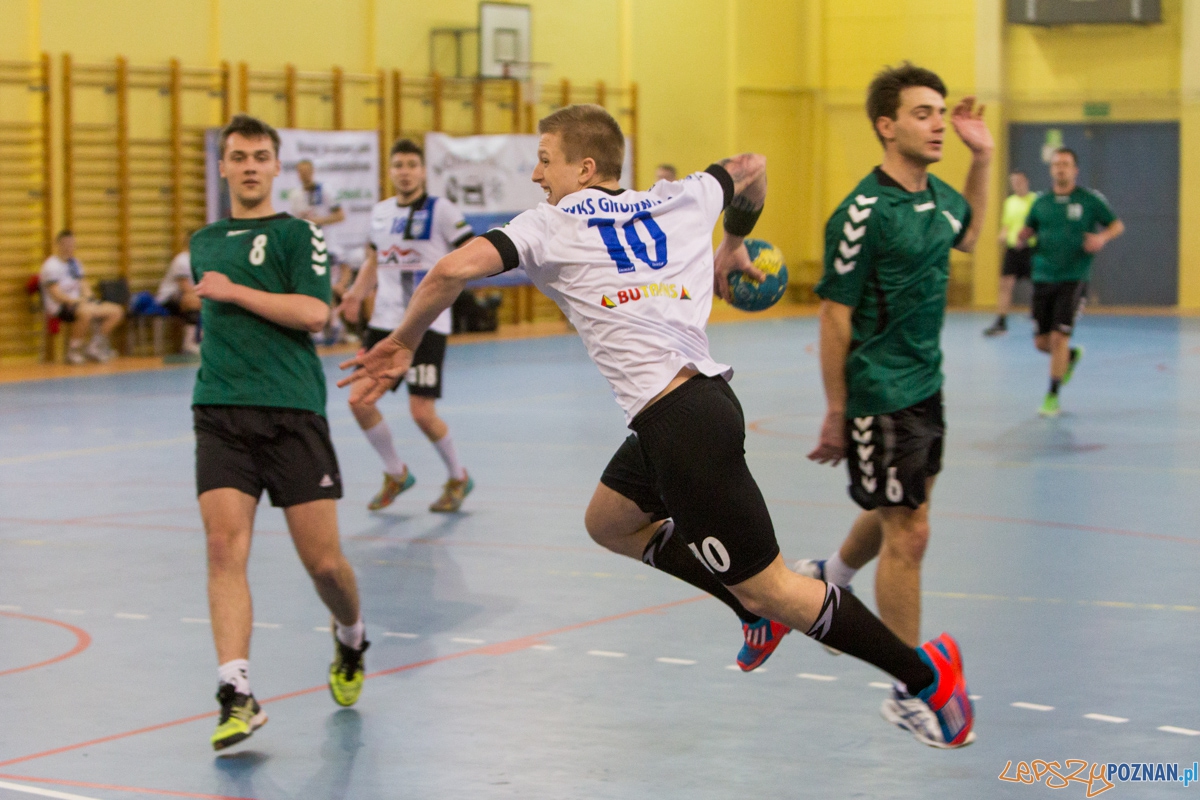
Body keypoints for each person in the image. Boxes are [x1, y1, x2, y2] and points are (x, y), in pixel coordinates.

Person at [341, 103, 977, 749]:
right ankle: (748, 612)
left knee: (776, 590)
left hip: (682, 428)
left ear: (584, 167)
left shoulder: (550, 224)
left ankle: (925, 676)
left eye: (544, 158)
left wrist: (401, 341)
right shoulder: (681, 199)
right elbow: (752, 168)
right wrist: (732, 242)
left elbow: (450, 269)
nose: (536, 174)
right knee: (610, 521)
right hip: (694, 408)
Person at [799, 65, 992, 666]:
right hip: (879, 391)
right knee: (909, 532)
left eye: (940, 112)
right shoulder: (863, 212)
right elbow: (835, 316)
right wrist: (837, 408)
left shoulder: (936, 200)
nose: (937, 124)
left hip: (925, 384)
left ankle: (826, 574)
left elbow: (969, 236)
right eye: (922, 113)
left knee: (900, 511)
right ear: (887, 126)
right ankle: (913, 683)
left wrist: (981, 161)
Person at [190, 114, 369, 751]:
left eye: (259, 157)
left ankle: (351, 637)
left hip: (293, 412)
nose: (247, 166)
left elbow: (315, 312)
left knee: (323, 564)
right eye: (237, 156)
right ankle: (235, 692)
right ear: (222, 167)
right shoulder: (204, 240)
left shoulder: (300, 235)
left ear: (275, 166)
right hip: (220, 411)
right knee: (223, 549)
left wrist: (233, 292)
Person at [338, 138, 476, 513]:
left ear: (422, 170)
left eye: (411, 165)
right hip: (384, 323)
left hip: (427, 323)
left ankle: (458, 477)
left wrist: (449, 288)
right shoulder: (381, 213)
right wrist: (354, 294)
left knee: (421, 413)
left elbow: (472, 252)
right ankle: (396, 472)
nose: (404, 171)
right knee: (359, 400)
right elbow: (372, 262)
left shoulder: (442, 210)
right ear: (390, 171)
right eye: (398, 165)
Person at [1019, 147, 1124, 417]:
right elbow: (1029, 229)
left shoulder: (1089, 200)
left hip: (1073, 278)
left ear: (1075, 170)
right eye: (1056, 165)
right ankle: (1071, 357)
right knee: (1042, 343)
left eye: (1065, 164)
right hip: (1043, 276)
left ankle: (1052, 396)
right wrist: (1022, 236)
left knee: (1059, 337)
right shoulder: (1040, 202)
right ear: (1051, 169)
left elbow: (1116, 225)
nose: (1060, 169)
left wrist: (1102, 238)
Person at [39, 230, 125, 364]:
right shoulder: (51, 266)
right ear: (58, 245)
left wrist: (90, 298)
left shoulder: (75, 263)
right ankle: (73, 351)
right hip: (60, 306)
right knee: (86, 312)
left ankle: (95, 346)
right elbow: (56, 295)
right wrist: (76, 301)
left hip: (79, 303)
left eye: (72, 244)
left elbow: (83, 285)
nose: (69, 248)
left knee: (116, 311)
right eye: (66, 244)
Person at [982, 171, 1038, 337]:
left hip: (1031, 249)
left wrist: (1029, 237)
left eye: (1019, 181)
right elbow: (1007, 224)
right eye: (1013, 182)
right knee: (1005, 284)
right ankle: (1001, 322)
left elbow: (1038, 224)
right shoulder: (1010, 202)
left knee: (1038, 285)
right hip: (1013, 250)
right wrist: (1003, 234)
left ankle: (1040, 319)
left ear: (1026, 181)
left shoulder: (1035, 200)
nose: (1016, 184)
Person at [156, 249, 202, 354]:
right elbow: (185, 287)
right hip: (168, 297)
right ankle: (189, 343)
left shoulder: (204, 258)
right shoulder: (182, 260)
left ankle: (206, 340)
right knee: (193, 301)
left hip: (191, 295)